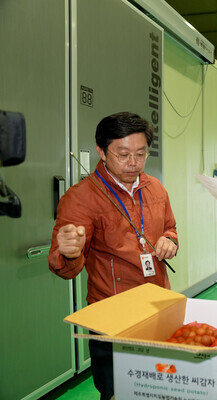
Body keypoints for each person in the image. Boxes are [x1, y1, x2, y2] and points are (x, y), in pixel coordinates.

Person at [48, 112, 179, 400]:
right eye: (123, 155)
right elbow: (63, 266)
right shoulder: (81, 197)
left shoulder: (154, 188)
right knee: (118, 391)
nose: (133, 163)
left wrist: (169, 240)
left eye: (141, 154)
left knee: (161, 387)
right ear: (102, 152)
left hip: (159, 306)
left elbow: (170, 227)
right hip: (112, 316)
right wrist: (69, 253)